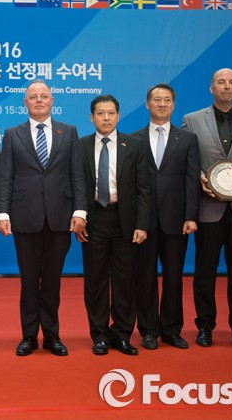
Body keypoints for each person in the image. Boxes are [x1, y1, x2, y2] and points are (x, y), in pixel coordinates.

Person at [0, 80, 85, 357]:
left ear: (52, 101)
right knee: (28, 281)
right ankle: (28, 336)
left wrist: (80, 211)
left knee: (52, 282)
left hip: (60, 218)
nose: (38, 100)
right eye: (33, 97)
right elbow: (5, 176)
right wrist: (2, 213)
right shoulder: (13, 134)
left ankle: (52, 336)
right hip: (25, 218)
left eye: (43, 96)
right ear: (25, 103)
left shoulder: (68, 132)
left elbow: (77, 175)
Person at [181, 68, 232, 349]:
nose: (226, 86)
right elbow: (185, 160)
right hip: (207, 207)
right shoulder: (192, 120)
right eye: (221, 82)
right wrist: (198, 177)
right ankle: (205, 326)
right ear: (211, 88)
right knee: (205, 270)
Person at [72, 94, 150, 356]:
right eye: (100, 113)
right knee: (95, 280)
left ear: (118, 115)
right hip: (94, 219)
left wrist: (142, 224)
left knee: (125, 281)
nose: (106, 118)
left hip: (125, 220)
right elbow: (76, 184)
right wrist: (79, 216)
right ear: (91, 117)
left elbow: (143, 189)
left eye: (111, 113)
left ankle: (122, 334)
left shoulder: (134, 145)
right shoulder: (80, 146)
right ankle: (100, 335)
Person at [132, 84, 200, 351]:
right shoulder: (134, 139)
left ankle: (172, 329)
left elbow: (192, 180)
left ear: (173, 104)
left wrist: (191, 216)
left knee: (174, 277)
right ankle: (148, 330)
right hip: (144, 222)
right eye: (157, 100)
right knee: (145, 278)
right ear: (147, 104)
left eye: (167, 100)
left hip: (176, 220)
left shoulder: (188, 139)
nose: (162, 104)